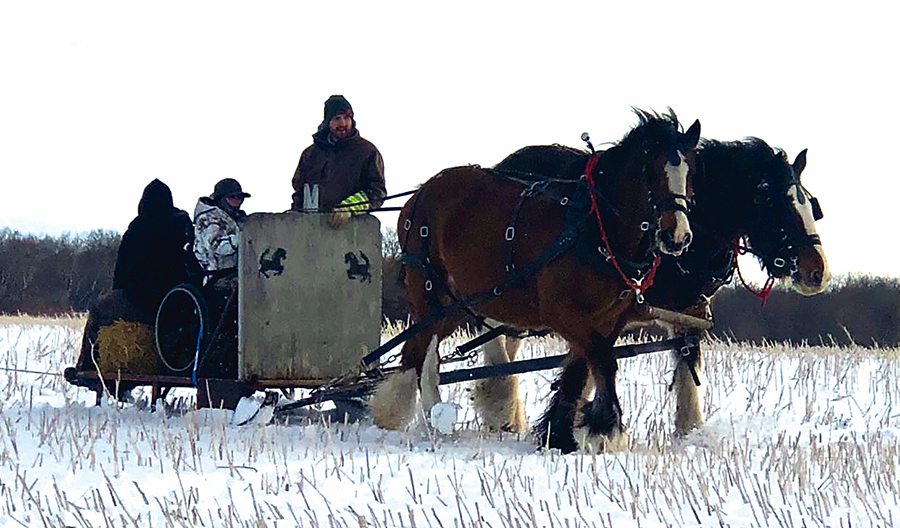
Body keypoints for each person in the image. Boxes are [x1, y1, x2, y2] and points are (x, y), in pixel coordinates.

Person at [65, 179, 196, 397]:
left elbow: (122, 270)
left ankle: (87, 368)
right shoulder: (183, 226)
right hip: (178, 302)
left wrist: (121, 292)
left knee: (99, 309)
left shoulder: (140, 228)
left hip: (142, 300)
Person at [290, 95, 386, 227]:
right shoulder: (310, 155)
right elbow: (299, 193)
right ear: (327, 122)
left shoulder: (367, 152)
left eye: (347, 118)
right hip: (310, 232)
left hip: (352, 234)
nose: (342, 123)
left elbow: (377, 191)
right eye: (337, 119)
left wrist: (349, 208)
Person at [193, 178, 249, 278]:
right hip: (216, 275)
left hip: (239, 271)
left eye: (240, 198)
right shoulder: (208, 219)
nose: (237, 202)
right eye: (232, 198)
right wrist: (244, 239)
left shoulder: (239, 218)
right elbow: (217, 246)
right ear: (221, 199)